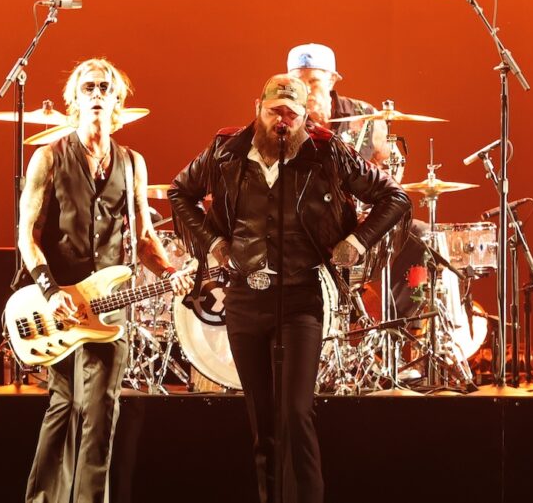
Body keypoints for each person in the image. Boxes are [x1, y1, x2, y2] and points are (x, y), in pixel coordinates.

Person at [168, 74, 410, 503]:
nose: (282, 121)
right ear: (257, 108)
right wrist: (212, 245)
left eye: (291, 114)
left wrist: (355, 241)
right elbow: (180, 192)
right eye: (274, 112)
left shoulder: (326, 151)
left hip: (300, 299)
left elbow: (394, 196)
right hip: (244, 299)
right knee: (263, 424)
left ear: (304, 117)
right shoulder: (226, 149)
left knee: (295, 415)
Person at [18, 57, 193, 503]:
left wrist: (172, 274)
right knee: (63, 406)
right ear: (74, 99)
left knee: (99, 412)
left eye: (105, 88)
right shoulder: (49, 158)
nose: (97, 94)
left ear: (118, 102)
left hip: (110, 305)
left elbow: (145, 238)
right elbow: (27, 236)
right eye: (89, 87)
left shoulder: (133, 163)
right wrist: (50, 290)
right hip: (55, 301)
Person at [286, 43, 393, 169]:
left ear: (331, 80)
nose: (306, 89)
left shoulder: (367, 115)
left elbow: (391, 164)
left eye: (313, 81)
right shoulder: (283, 118)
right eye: (298, 82)